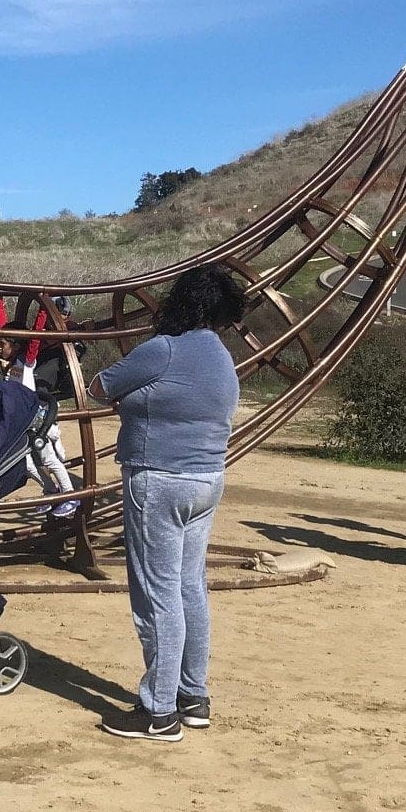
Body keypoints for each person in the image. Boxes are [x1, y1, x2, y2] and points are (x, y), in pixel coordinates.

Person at [89, 263, 244, 742]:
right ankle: (192, 696)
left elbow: (99, 387)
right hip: (206, 479)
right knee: (189, 587)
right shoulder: (221, 357)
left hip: (158, 478)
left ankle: (158, 711)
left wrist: (132, 400)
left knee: (156, 594)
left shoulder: (163, 349)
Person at [0, 296, 79, 520]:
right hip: (19, 421)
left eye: (2, 345)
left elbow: (34, 338)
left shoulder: (27, 362)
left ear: (16, 346)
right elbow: (2, 330)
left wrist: (43, 307)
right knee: (25, 462)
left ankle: (70, 495)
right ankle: (51, 490)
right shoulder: (9, 364)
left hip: (34, 418)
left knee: (50, 459)